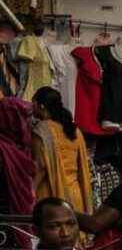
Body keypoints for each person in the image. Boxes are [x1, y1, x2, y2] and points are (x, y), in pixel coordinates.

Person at [29, 85, 92, 214]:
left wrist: (29, 192)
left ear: (42, 106)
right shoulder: (74, 130)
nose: (31, 107)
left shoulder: (42, 131)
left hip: (51, 194)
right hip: (75, 194)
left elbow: (41, 166)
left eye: (33, 103)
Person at [0, 96, 40, 240]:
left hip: (20, 218)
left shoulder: (21, 150)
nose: (32, 121)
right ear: (11, 119)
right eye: (27, 116)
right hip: (6, 222)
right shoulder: (3, 151)